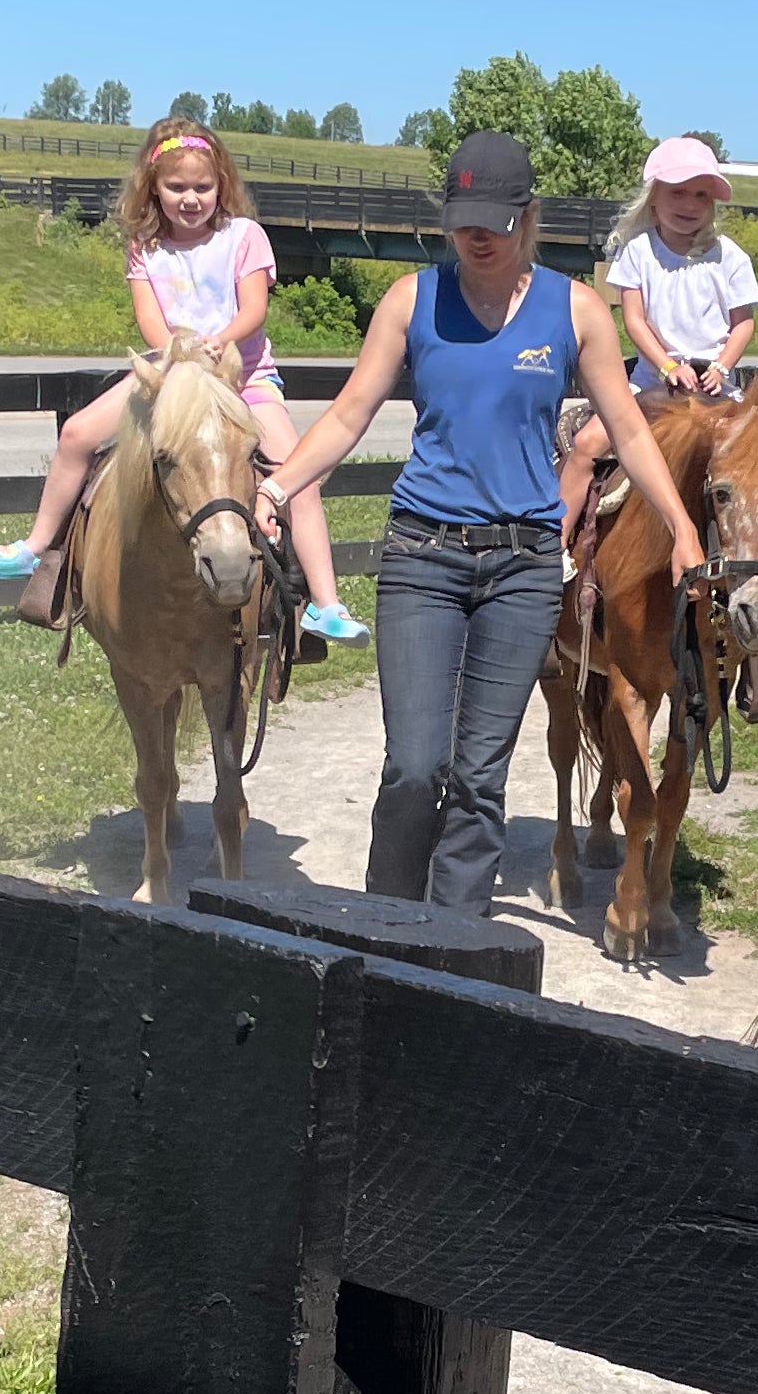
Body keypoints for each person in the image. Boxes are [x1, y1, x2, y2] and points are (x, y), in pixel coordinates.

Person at [255, 129, 704, 916]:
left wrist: (683, 526)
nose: (478, 236)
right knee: (415, 766)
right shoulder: (410, 300)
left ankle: (451, 956)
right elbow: (350, 412)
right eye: (465, 219)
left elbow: (629, 430)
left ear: (527, 217)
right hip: (422, 556)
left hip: (524, 567)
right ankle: (387, 925)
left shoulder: (575, 310)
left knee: (478, 777)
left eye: (495, 220)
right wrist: (280, 487)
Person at [0, 120, 369, 644]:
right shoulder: (146, 246)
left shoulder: (243, 237)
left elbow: (254, 308)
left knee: (297, 474)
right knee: (76, 436)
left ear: (221, 186)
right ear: (153, 189)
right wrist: (179, 356)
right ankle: (39, 548)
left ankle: (325, 602)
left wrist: (219, 342)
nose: (190, 199)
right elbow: (150, 321)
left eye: (202, 188)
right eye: (177, 187)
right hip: (167, 379)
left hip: (241, 378)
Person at [556, 133, 758, 551]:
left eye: (701, 195)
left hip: (716, 386)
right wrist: (669, 366)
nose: (689, 205)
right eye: (678, 193)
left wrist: (721, 366)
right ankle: (555, 548)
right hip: (653, 381)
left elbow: (742, 325)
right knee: (587, 445)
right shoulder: (638, 253)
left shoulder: (731, 257)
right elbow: (635, 321)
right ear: (654, 199)